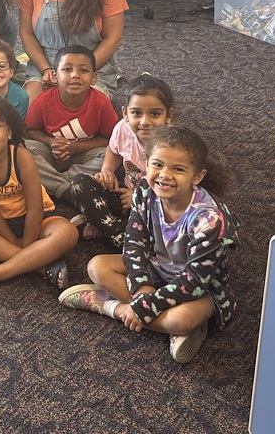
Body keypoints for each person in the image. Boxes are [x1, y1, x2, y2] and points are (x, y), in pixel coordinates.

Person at [59, 125, 237, 365]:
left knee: (182, 319)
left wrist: (146, 305)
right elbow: (134, 241)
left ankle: (110, 306)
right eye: (157, 165)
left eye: (178, 169)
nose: (164, 175)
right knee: (96, 266)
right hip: (156, 269)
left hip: (200, 288)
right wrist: (142, 287)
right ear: (147, 163)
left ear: (197, 176)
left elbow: (195, 281)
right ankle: (137, 315)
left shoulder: (209, 220)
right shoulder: (144, 189)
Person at [0, 94, 78, 289]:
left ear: (9, 132)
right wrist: (23, 250)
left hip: (38, 219)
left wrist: (27, 244)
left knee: (68, 233)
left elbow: (35, 209)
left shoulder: (21, 156)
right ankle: (39, 266)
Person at [69, 74, 174, 248]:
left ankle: (110, 231)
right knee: (79, 184)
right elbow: (113, 149)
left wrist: (139, 200)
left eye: (155, 114)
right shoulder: (123, 129)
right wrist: (107, 170)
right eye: (136, 113)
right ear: (125, 113)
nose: (145, 121)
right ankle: (121, 235)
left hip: (158, 204)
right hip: (125, 193)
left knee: (170, 227)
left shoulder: (173, 146)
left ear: (168, 115)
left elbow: (178, 192)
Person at [25, 44, 119, 204]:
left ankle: (54, 184)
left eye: (83, 70)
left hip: (83, 156)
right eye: (67, 70)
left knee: (110, 158)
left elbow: (111, 140)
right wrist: (50, 142)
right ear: (55, 76)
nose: (75, 75)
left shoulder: (101, 103)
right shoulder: (43, 101)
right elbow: (30, 130)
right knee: (21, 149)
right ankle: (69, 189)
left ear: (94, 78)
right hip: (50, 154)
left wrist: (76, 148)